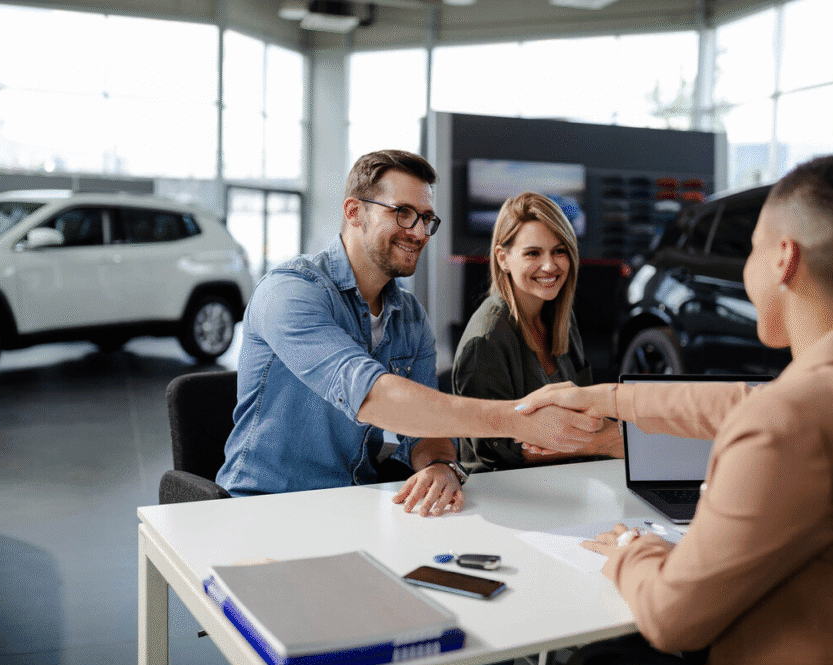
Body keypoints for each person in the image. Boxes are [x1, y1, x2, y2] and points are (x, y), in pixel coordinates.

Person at [521, 154, 833, 665]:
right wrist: (612, 398)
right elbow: (762, 399)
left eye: (750, 249)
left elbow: (668, 618)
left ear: (783, 260)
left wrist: (632, 548)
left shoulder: (788, 427)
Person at [217, 150, 600, 516]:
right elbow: (374, 397)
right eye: (403, 214)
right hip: (264, 506)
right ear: (354, 212)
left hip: (354, 503)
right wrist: (519, 420)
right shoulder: (291, 292)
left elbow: (426, 430)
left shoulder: (410, 316)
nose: (418, 232)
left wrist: (439, 465)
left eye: (426, 219)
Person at [453, 192, 623, 472]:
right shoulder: (486, 340)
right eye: (533, 253)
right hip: (508, 497)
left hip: (567, 482)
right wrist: (603, 443)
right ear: (503, 258)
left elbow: (585, 409)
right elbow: (497, 453)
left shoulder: (561, 319)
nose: (550, 265)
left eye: (559, 251)